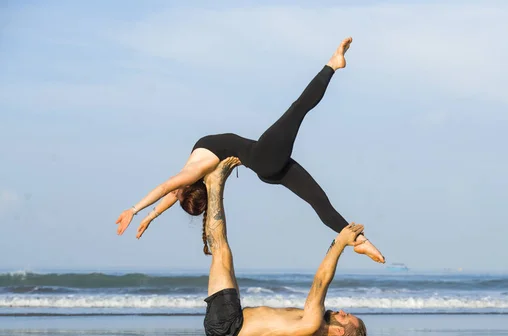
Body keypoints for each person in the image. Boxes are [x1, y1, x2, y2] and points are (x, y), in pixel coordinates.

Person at [115, 37, 384, 264]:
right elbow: (166, 188)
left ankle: (360, 241)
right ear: (186, 188)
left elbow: (171, 195)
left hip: (267, 167)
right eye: (179, 190)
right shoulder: (192, 172)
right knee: (298, 109)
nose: (176, 191)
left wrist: (150, 216)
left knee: (319, 201)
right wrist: (133, 209)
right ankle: (333, 64)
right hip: (262, 156)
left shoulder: (192, 178)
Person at [200, 157, 368, 336]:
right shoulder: (307, 330)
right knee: (222, 254)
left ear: (338, 332)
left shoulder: (312, 323)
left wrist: (340, 243)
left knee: (221, 251)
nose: (341, 311)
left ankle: (214, 182)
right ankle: (212, 184)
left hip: (228, 325)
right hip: (229, 326)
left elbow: (321, 281)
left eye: (345, 317)